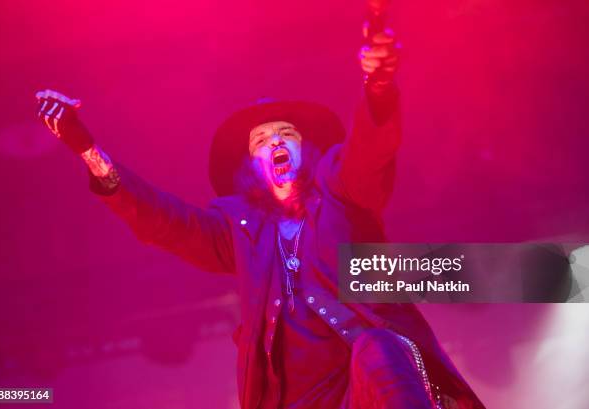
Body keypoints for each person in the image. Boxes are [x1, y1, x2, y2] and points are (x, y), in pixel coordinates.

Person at [34, 15, 484, 409]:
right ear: (251, 166)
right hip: (291, 399)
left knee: (378, 347)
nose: (275, 143)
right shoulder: (237, 229)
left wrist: (379, 85)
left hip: (364, 388)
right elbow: (161, 221)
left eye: (285, 134)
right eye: (261, 141)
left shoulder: (341, 191)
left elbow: (371, 149)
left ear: (305, 149)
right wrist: (87, 149)